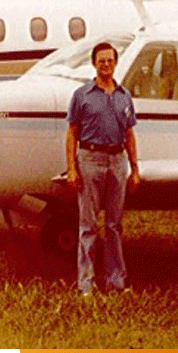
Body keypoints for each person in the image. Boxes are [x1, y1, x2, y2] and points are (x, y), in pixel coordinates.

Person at [65, 41, 140, 296]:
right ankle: (86, 284)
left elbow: (129, 134)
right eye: (101, 60)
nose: (105, 64)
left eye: (109, 60)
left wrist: (134, 168)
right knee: (88, 225)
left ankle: (116, 279)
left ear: (115, 63)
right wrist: (72, 168)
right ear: (94, 64)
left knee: (114, 225)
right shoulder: (81, 96)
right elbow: (72, 133)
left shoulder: (124, 96)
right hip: (90, 159)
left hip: (117, 160)